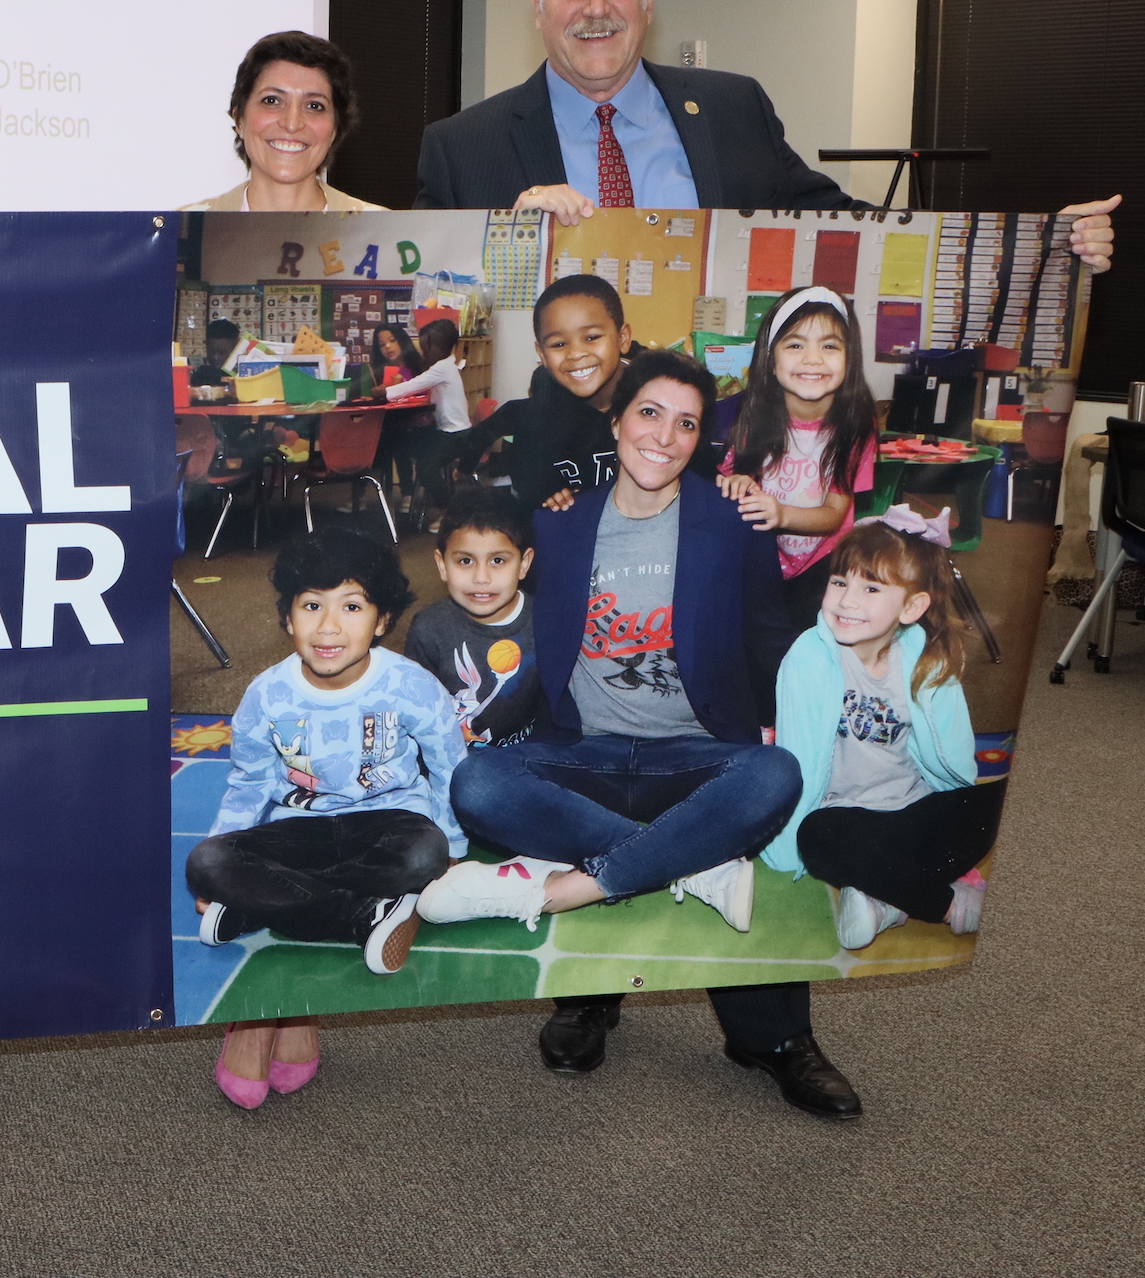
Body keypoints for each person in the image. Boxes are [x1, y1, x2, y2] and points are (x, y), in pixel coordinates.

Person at [421, 353, 861, 1119]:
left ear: (702, 441)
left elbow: (767, 634)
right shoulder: (558, 524)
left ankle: (772, 1036)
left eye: (687, 422)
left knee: (773, 775)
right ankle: (680, 880)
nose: (665, 435)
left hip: (694, 753)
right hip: (584, 751)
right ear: (618, 420)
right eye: (650, 413)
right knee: (479, 784)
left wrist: (833, 710)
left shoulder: (732, 518)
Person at [411, 0, 1117, 276]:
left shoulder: (731, 109)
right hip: (551, 474)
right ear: (537, 4)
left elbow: (854, 226)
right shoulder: (462, 149)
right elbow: (425, 310)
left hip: (721, 455)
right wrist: (507, 237)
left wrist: (1038, 241)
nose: (595, 7)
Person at [187, 528, 463, 1108]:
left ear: (383, 620)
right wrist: (219, 858)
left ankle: (264, 905)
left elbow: (447, 763)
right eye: (311, 606)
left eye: (352, 606)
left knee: (424, 855)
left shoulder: (409, 683)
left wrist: (455, 846)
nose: (329, 627)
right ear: (288, 619)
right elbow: (249, 783)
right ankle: (362, 916)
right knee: (208, 861)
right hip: (303, 828)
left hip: (388, 824)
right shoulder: (265, 695)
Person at [767, 509, 999, 951]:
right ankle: (946, 904)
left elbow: (953, 754)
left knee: (1000, 801)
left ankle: (884, 895)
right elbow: (795, 763)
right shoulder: (809, 659)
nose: (847, 600)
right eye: (840, 582)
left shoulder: (924, 660)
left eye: (870, 588)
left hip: (913, 813)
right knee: (816, 839)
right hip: (845, 819)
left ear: (911, 607)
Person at [716, 286, 881, 631]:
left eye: (830, 346)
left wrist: (781, 514)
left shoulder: (855, 425)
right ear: (770, 361)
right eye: (795, 344)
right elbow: (722, 484)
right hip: (758, 558)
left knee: (810, 644)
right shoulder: (749, 415)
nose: (813, 358)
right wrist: (734, 483)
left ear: (850, 360)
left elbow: (834, 515)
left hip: (822, 563)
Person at [457, 274, 631, 514]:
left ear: (623, 338)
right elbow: (532, 493)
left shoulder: (659, 403)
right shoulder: (536, 418)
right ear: (541, 352)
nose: (576, 353)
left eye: (591, 337)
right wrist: (550, 498)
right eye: (559, 344)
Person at [179, 30, 383, 212]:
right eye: (272, 101)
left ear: (336, 128)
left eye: (314, 106)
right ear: (239, 118)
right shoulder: (178, 234)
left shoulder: (385, 236)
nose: (292, 123)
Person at [404, 488, 541, 751]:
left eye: (498, 560)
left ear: (524, 564)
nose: (481, 578)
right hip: (456, 760)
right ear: (442, 564)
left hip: (528, 756)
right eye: (465, 561)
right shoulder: (429, 629)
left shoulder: (543, 620)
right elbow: (415, 713)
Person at [378, 316, 474, 524]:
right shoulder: (448, 365)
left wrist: (384, 392)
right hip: (451, 432)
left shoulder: (441, 368)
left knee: (425, 467)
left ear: (437, 348)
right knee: (411, 447)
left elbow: (412, 385)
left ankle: (449, 511)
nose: (423, 353)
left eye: (425, 348)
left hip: (454, 434)